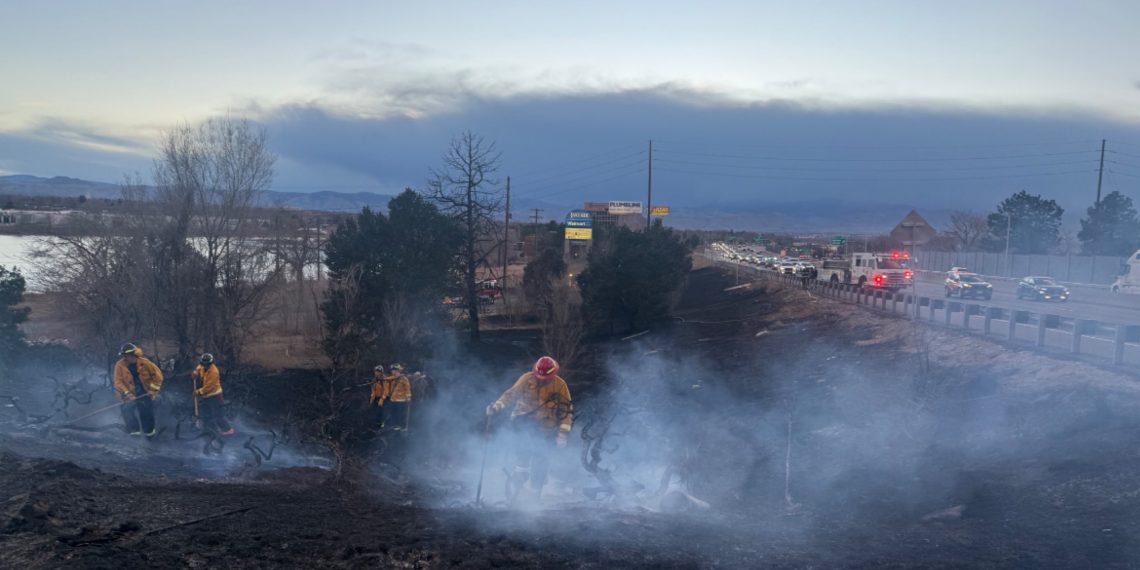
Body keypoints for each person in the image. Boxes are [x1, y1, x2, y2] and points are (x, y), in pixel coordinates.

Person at [486, 356, 573, 497]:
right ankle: (518, 479)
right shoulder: (526, 379)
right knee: (524, 450)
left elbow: (566, 411)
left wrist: (563, 434)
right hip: (523, 420)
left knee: (541, 458)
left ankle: (535, 492)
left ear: (553, 374)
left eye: (546, 378)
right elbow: (510, 395)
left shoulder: (560, 385)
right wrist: (496, 406)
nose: (542, 380)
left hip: (546, 427)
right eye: (539, 377)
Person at [113, 343, 165, 437]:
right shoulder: (119, 365)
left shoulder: (145, 363)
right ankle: (134, 433)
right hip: (128, 393)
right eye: (125, 355)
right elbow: (118, 382)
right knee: (127, 410)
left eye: (128, 355)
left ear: (134, 354)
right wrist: (128, 393)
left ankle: (149, 434)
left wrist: (153, 389)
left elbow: (158, 377)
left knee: (146, 411)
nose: (126, 357)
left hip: (145, 392)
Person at [192, 353, 234, 436]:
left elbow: (209, 387)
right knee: (206, 413)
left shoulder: (214, 372)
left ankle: (228, 430)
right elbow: (199, 367)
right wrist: (195, 372)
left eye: (207, 365)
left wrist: (198, 392)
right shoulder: (202, 366)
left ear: (210, 363)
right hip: (206, 396)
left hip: (215, 396)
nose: (205, 366)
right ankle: (209, 429)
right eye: (204, 364)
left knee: (217, 415)